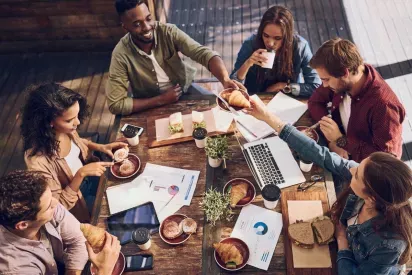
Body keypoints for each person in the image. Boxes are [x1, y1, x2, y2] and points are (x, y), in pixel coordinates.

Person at [245, 97, 411, 275]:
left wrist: (342, 242)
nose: (352, 169)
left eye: (357, 174)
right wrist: (268, 117)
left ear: (370, 199)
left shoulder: (389, 246)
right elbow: (319, 154)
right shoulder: (371, 185)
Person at [106, 0, 243, 115]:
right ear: (125, 28)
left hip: (185, 89)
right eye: (137, 24)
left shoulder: (168, 32)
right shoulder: (120, 55)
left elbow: (204, 54)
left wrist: (224, 79)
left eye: (148, 19)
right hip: (148, 104)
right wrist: (161, 100)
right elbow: (116, 104)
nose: (147, 27)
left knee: (219, 110)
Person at [21, 83, 127, 222]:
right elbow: (56, 207)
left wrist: (101, 147)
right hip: (79, 203)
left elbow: (79, 142)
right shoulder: (37, 162)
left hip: (93, 177)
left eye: (77, 115)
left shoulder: (66, 129)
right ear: (48, 122)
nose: (77, 122)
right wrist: (80, 174)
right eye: (70, 120)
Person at [0, 170, 121, 275]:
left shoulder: (46, 203)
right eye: (48, 207)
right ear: (23, 225)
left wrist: (72, 271)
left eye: (51, 196)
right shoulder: (15, 268)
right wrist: (104, 271)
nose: (56, 203)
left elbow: (78, 240)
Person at [308, 38, 405, 163]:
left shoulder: (384, 107)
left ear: (345, 73)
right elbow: (315, 101)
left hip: (362, 172)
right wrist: (331, 138)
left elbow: (386, 162)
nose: (324, 85)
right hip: (340, 153)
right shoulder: (342, 80)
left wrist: (341, 140)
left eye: (326, 79)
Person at [230, 6, 321, 96]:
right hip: (256, 99)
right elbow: (232, 85)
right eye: (266, 35)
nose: (270, 43)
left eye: (277, 38)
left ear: (287, 36)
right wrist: (247, 64)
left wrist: (285, 86)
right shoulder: (250, 44)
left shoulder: (300, 47)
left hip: (288, 99)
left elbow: (316, 86)